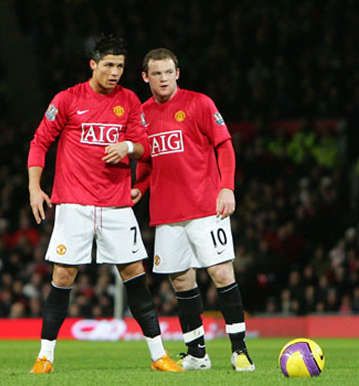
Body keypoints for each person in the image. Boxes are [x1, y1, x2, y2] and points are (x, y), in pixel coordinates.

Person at [27, 36, 182, 374]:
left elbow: (146, 148)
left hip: (115, 204)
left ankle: (158, 356)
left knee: (134, 276)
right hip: (74, 203)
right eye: (109, 65)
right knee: (63, 275)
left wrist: (127, 147)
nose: (115, 73)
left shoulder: (128, 101)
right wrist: (34, 187)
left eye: (121, 66)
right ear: (93, 65)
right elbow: (40, 141)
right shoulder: (67, 99)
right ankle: (45, 357)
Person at [132, 48, 255, 372]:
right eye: (156, 73)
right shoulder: (141, 115)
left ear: (178, 73)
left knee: (222, 273)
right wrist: (139, 189)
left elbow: (224, 145)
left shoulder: (199, 103)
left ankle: (239, 351)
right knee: (181, 281)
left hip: (204, 207)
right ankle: (197, 354)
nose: (163, 79)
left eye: (168, 72)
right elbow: (145, 162)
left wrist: (226, 186)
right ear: (146, 77)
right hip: (166, 213)